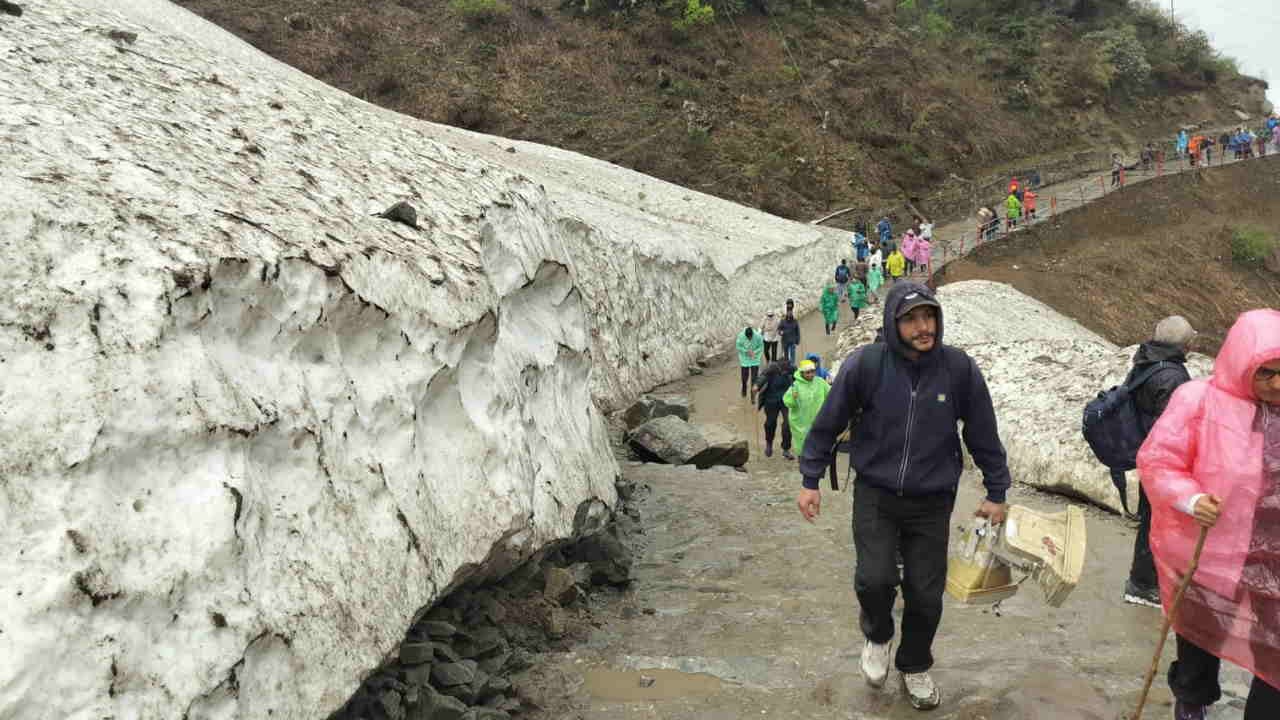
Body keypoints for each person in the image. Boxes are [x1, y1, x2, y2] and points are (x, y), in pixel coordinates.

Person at [796, 281, 1012, 711]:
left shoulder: (959, 369)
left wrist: (996, 490)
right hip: (876, 493)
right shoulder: (866, 365)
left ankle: (914, 664)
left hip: (932, 500)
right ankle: (878, 636)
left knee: (926, 592)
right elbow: (828, 422)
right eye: (911, 319)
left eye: (928, 316)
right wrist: (810, 479)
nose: (923, 327)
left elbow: (983, 431)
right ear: (894, 324)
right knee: (874, 578)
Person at [1138, 309, 1280, 720]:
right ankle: (1191, 702)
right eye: (1265, 372)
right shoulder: (1199, 400)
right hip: (1212, 551)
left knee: (1274, 647)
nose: (1276, 383)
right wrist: (1190, 499)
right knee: (1201, 636)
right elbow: (1159, 461)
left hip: (1274, 559)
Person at [1113, 316, 1196, 608]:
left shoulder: (1146, 361)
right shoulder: (1172, 376)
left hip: (1148, 452)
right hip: (1162, 459)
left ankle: (1146, 581)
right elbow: (1176, 423)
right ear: (1186, 345)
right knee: (1158, 522)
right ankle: (1143, 585)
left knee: (1152, 519)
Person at [783, 359, 830, 465]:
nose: (810, 374)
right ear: (802, 373)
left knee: (817, 442)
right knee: (802, 443)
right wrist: (793, 398)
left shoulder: (820, 382)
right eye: (807, 372)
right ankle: (803, 462)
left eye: (812, 371)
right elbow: (787, 402)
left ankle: (816, 462)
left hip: (818, 419)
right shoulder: (796, 385)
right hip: (801, 422)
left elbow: (830, 394)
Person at [753, 359, 794, 459]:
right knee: (770, 423)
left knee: (788, 424)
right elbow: (762, 378)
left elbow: (799, 378)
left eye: (786, 372)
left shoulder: (791, 370)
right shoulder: (771, 369)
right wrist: (756, 386)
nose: (785, 373)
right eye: (783, 372)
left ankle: (786, 449)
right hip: (771, 400)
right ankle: (769, 443)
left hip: (786, 400)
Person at [736, 326, 764, 398]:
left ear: (753, 335)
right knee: (744, 377)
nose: (749, 339)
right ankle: (744, 388)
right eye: (748, 338)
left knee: (754, 378)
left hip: (755, 359)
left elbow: (761, 347)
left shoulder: (758, 336)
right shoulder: (741, 336)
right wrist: (746, 351)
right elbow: (738, 347)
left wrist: (754, 352)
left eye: (750, 337)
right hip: (744, 359)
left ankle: (752, 395)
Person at [779, 300, 801, 366]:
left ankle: (792, 365)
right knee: (785, 355)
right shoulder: (782, 321)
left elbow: (798, 331)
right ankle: (786, 365)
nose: (789, 314)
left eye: (790, 314)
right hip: (785, 341)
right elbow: (779, 329)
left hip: (792, 341)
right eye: (788, 314)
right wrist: (780, 332)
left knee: (792, 354)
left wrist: (797, 340)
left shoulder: (795, 321)